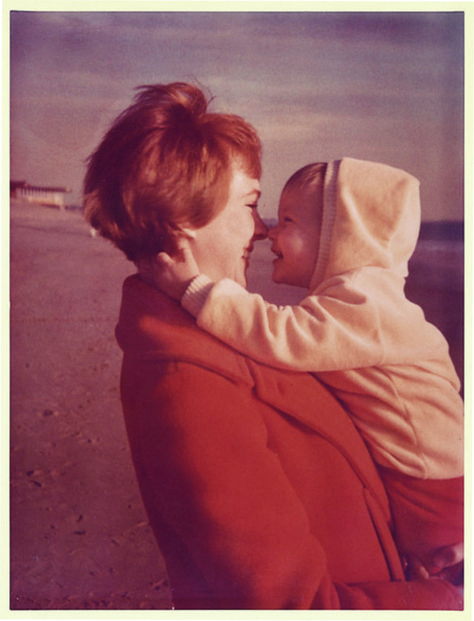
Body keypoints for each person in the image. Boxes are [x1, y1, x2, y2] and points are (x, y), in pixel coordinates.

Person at [83, 82, 462, 610]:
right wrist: (446, 600)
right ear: (180, 223)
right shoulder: (187, 382)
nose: (260, 232)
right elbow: (292, 604)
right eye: (251, 205)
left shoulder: (223, 335)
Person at [142, 158, 464, 582]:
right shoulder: (355, 300)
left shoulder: (368, 300)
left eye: (288, 220)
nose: (270, 232)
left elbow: (281, 336)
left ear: (343, 235)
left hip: (434, 483)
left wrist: (194, 290)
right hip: (429, 475)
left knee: (444, 568)